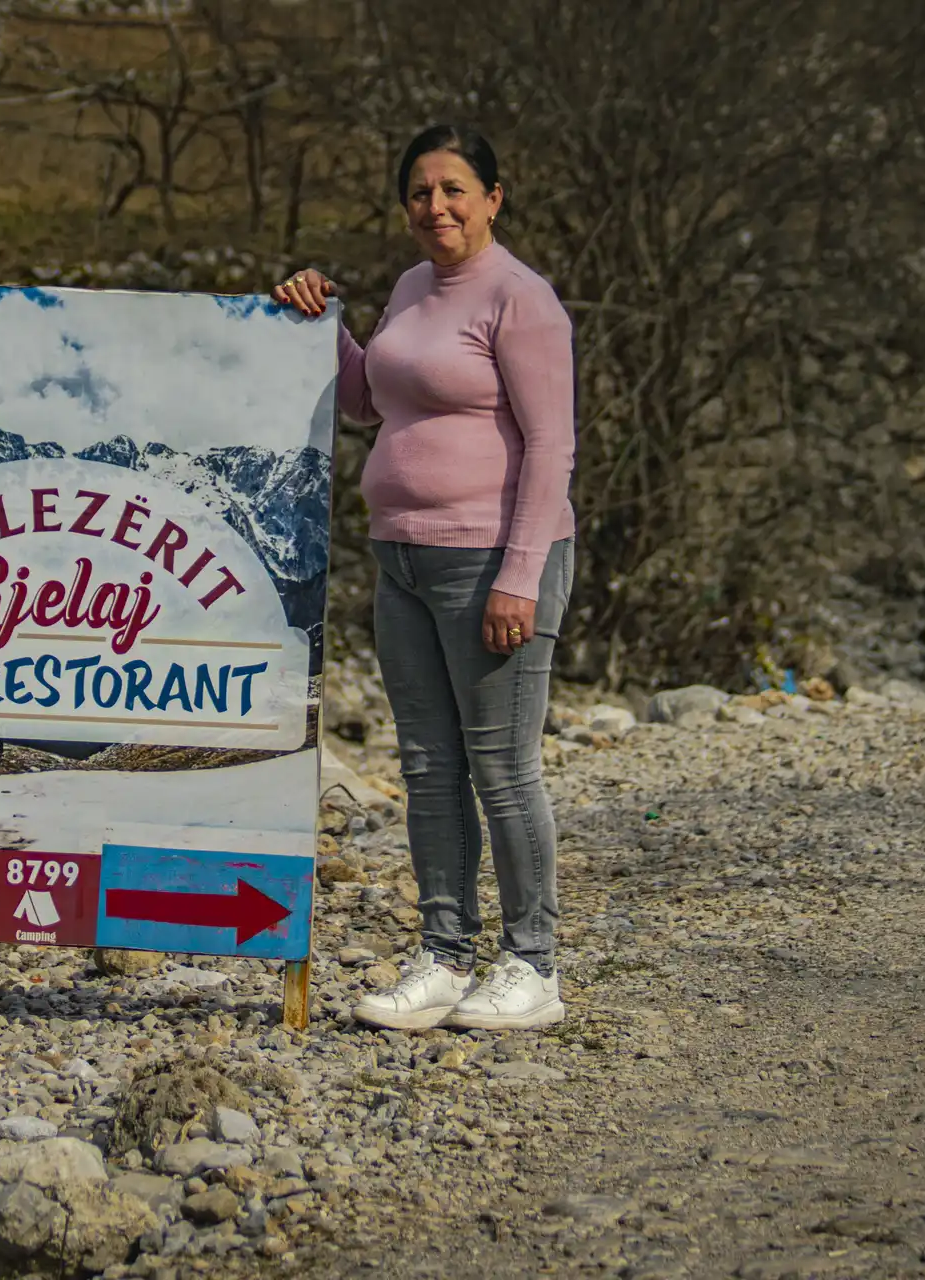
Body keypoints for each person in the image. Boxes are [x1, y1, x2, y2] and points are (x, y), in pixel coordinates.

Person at [274, 124, 576, 1032]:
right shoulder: (411, 288)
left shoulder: (522, 300)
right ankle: (445, 956)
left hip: (492, 559)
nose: (434, 207)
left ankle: (534, 967)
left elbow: (554, 446)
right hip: (401, 557)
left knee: (503, 769)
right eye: (418, 192)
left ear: (494, 196)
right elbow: (371, 401)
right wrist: (324, 324)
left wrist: (520, 577)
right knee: (430, 768)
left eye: (453, 189)